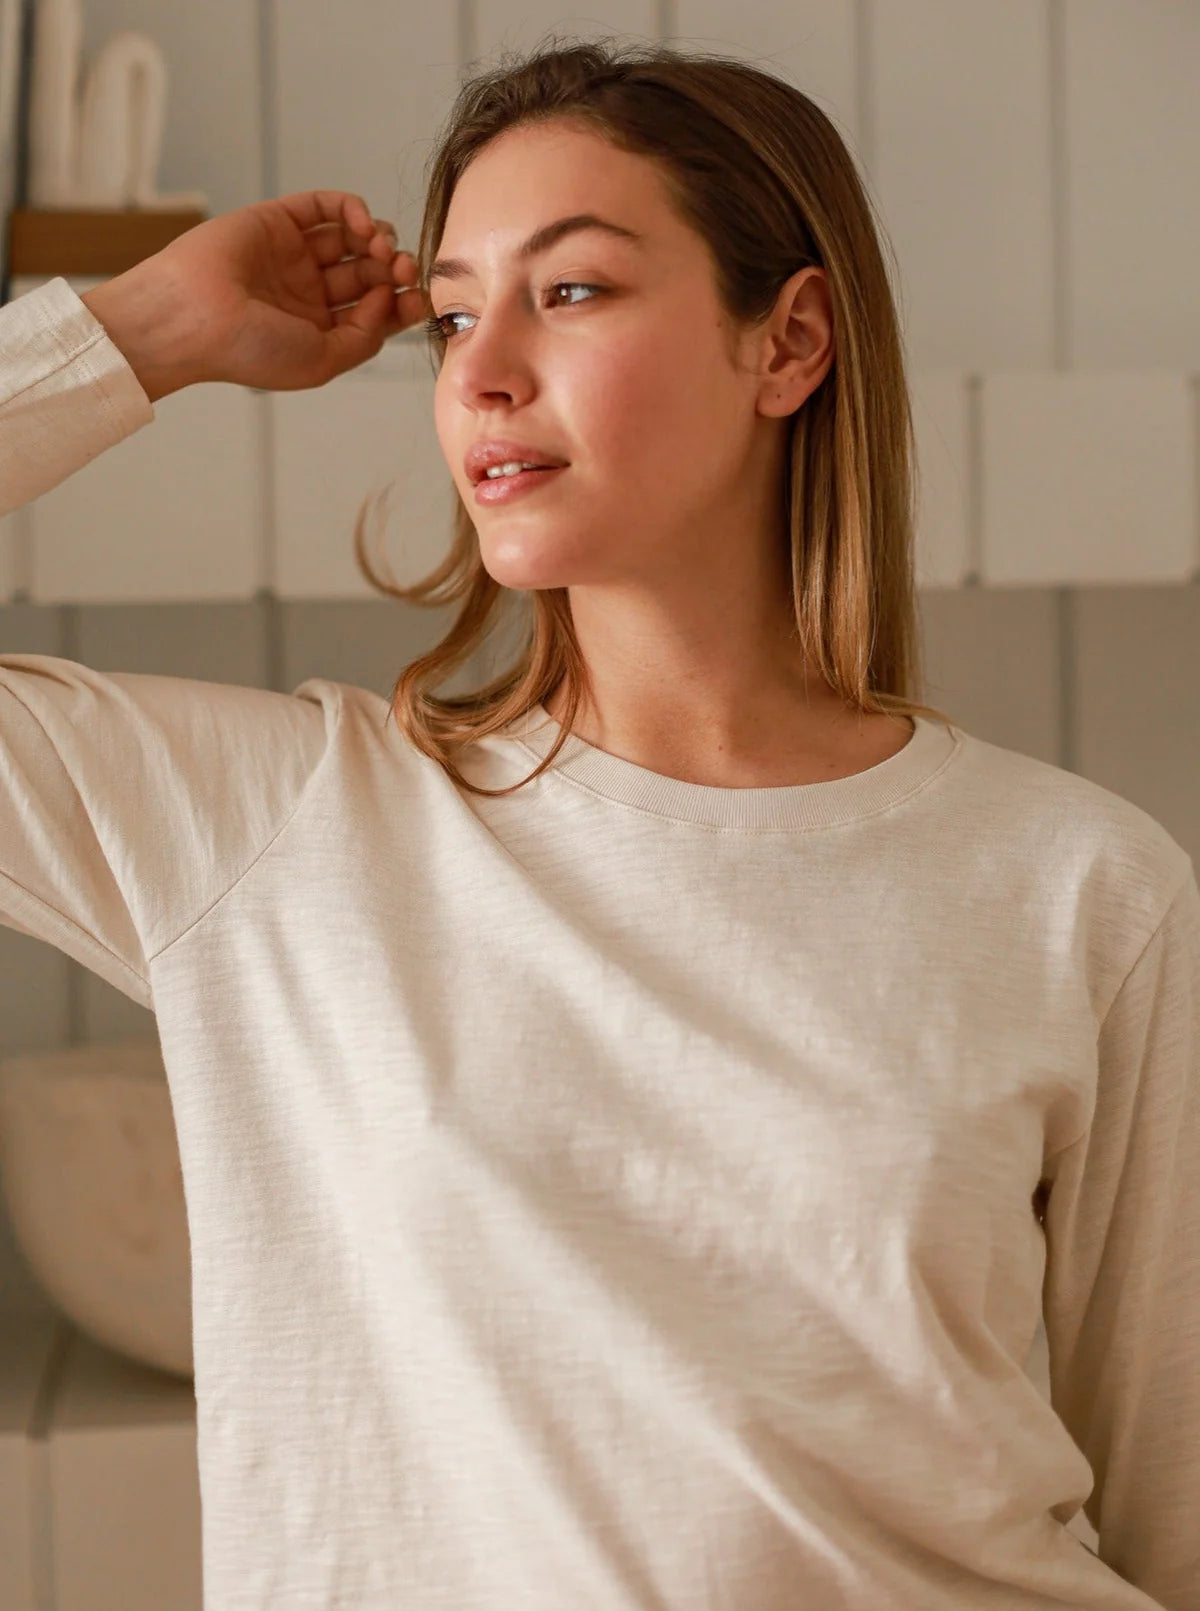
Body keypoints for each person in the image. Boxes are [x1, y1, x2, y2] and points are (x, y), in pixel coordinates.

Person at [1, 37, 1197, 1611]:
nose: (482, 368)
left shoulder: (1084, 889)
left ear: (790, 344)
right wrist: (147, 328)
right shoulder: (279, 833)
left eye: (569, 291)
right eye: (447, 315)